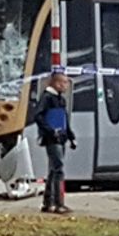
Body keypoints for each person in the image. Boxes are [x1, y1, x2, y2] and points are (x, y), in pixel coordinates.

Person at [34, 72, 76, 214]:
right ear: (57, 83)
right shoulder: (47, 98)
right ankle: (58, 203)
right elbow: (38, 116)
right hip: (52, 138)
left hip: (61, 137)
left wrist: (70, 135)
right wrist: (50, 131)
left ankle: (48, 202)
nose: (66, 86)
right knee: (58, 168)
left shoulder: (61, 100)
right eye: (64, 83)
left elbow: (64, 119)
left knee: (53, 170)